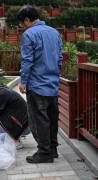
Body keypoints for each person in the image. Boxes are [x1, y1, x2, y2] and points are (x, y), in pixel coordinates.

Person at [17, 5, 63, 163]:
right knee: (52, 118)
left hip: (37, 84)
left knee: (39, 120)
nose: (23, 26)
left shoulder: (29, 34)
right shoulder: (54, 32)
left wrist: (23, 81)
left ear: (27, 20)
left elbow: (27, 60)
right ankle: (53, 149)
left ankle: (44, 153)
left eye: (23, 23)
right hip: (53, 84)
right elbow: (59, 59)